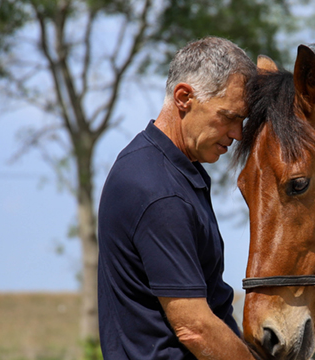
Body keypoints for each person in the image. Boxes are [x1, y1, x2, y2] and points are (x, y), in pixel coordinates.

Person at [98, 37, 257, 360]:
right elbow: (195, 328)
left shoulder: (167, 169)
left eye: (242, 121)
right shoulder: (158, 189)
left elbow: (213, 305)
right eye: (229, 116)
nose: (238, 133)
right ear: (184, 97)